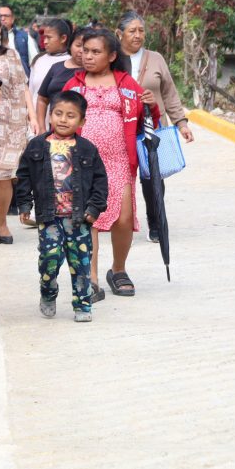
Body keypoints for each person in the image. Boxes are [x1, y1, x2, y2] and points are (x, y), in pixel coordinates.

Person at [64, 28, 158, 300]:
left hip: (119, 161)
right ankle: (91, 279)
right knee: (88, 218)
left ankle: (118, 269)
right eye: (85, 50)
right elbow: (59, 116)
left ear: (112, 56)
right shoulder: (74, 85)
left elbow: (148, 120)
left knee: (124, 218)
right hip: (82, 163)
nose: (88, 56)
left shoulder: (127, 83)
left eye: (96, 52)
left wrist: (151, 105)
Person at [15, 90, 108, 322]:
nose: (63, 120)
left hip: (79, 219)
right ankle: (48, 292)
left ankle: (83, 305)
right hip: (49, 218)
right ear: (50, 115)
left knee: (81, 264)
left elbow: (100, 181)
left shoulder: (87, 149)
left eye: (70, 115)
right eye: (58, 113)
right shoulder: (36, 146)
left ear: (82, 121)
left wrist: (94, 208)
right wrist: (24, 204)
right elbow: (24, 176)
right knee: (49, 259)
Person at [116, 11, 195, 242]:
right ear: (119, 34)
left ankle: (156, 224)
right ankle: (117, 220)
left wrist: (181, 123)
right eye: (132, 31)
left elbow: (169, 93)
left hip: (152, 126)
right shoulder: (112, 59)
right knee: (120, 177)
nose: (137, 35)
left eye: (141, 30)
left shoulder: (156, 58)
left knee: (153, 178)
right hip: (121, 128)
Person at [0, 6, 38, 244]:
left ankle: (1, 222)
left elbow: (22, 86)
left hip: (8, 121)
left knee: (3, 176)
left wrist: (32, 117)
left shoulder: (10, 54)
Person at [36, 25, 86, 129]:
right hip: (56, 129)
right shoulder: (56, 68)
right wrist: (41, 128)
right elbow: (42, 99)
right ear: (70, 45)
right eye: (78, 45)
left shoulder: (93, 72)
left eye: (86, 48)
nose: (81, 51)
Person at [28, 18, 72, 130]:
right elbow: (31, 92)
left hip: (61, 125)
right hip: (34, 124)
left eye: (49, 37)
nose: (45, 41)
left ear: (63, 38)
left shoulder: (71, 63)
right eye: (44, 37)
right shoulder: (38, 60)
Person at [0, 5, 39, 76]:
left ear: (12, 19)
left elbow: (35, 62)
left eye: (6, 16)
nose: (2, 18)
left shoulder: (25, 37)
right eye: (0, 16)